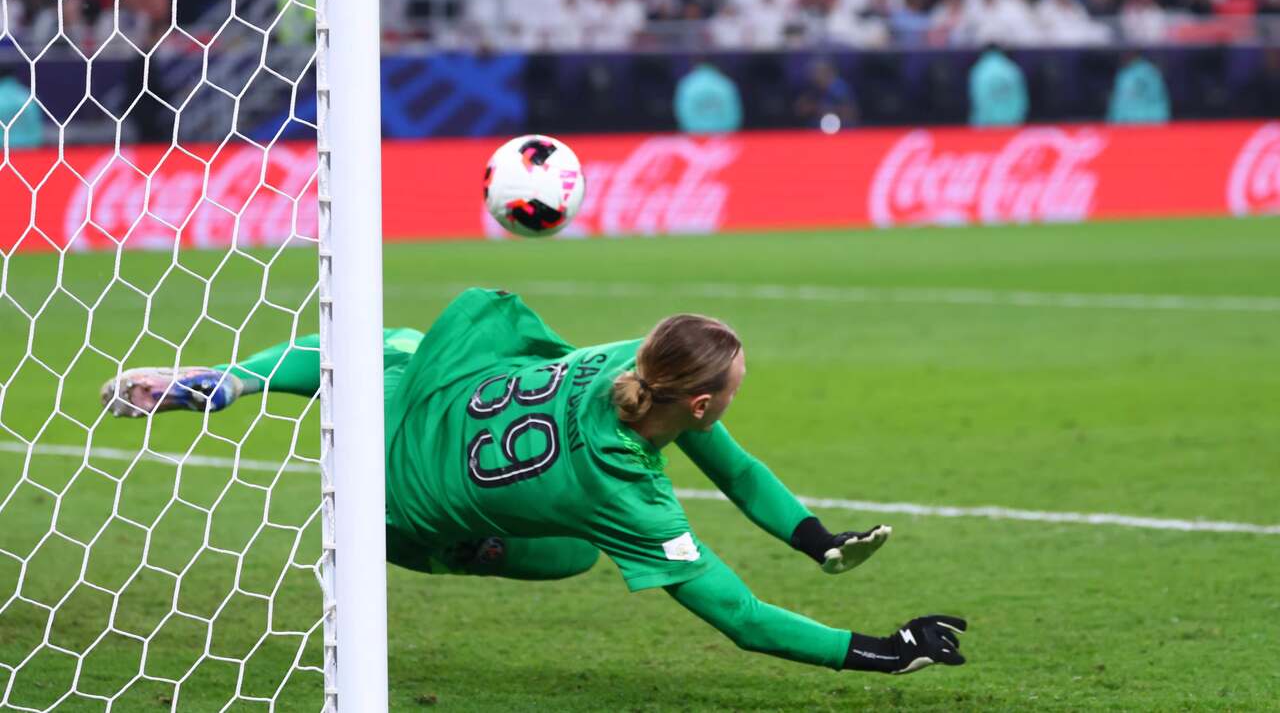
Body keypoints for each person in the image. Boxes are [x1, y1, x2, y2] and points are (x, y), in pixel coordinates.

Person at [101, 288, 968, 676]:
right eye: (733, 389)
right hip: (386, 509)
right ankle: (461, 542)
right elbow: (740, 617)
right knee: (573, 555)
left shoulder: (621, 362)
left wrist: (817, 541)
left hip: (414, 401)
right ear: (702, 402)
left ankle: (232, 378)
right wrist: (882, 648)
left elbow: (732, 465)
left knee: (385, 342)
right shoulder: (627, 494)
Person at [673, 61, 743, 134]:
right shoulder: (726, 83)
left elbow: (682, 115)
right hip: (724, 136)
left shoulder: (686, 84)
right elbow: (733, 116)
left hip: (693, 136)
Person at [968, 44, 1028, 127]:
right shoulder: (1012, 68)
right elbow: (1021, 101)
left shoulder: (979, 70)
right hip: (1013, 125)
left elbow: (978, 101)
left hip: (985, 127)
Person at [1107, 53, 1171, 124]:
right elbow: (1117, 105)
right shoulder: (1122, 73)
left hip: (1147, 125)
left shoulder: (1149, 72)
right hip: (1123, 125)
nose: (1123, 54)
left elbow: (1158, 103)